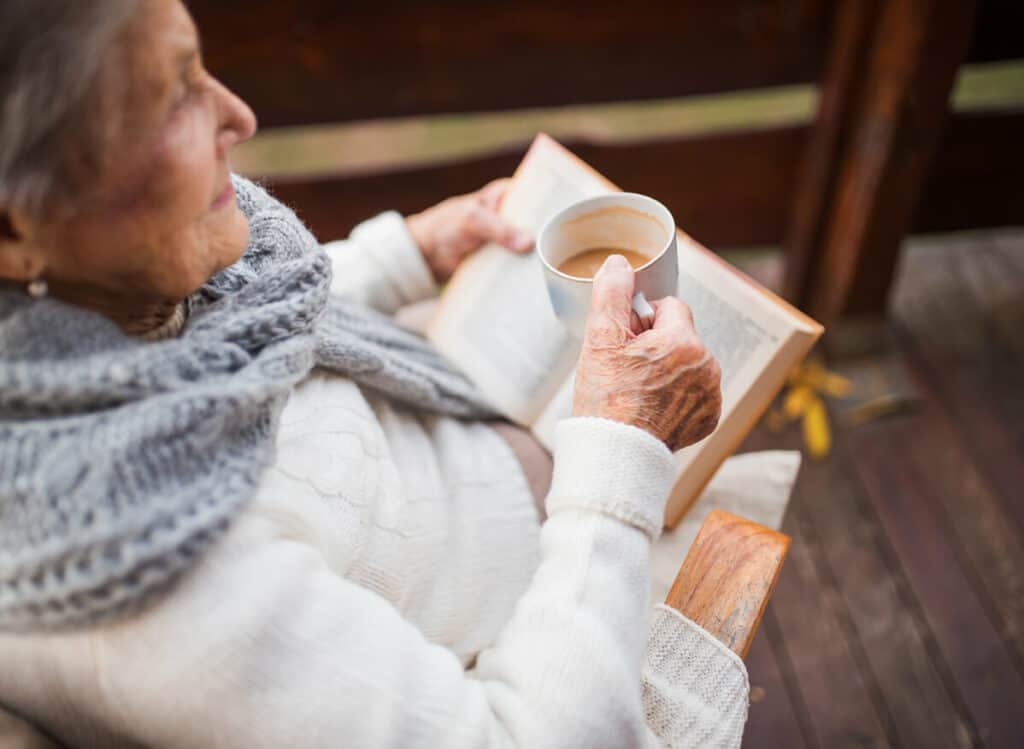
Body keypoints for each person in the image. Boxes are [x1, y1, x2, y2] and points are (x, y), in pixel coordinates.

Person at [0, 1, 746, 747]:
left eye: (201, 66)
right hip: (568, 601)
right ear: (13, 230)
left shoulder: (96, 310)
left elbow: (214, 334)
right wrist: (619, 453)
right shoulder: (146, 585)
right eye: (168, 101)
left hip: (483, 458)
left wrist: (406, 256)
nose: (239, 117)